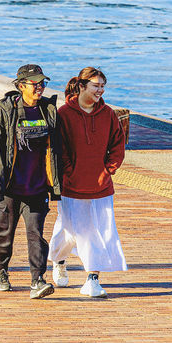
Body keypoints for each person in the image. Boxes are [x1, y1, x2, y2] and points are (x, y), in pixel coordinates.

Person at [48, 66, 127, 298]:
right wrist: (69, 173)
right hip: (72, 186)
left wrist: (108, 169)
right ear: (82, 86)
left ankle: (92, 279)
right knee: (69, 230)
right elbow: (58, 150)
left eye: (103, 86)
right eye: (96, 86)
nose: (100, 90)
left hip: (102, 186)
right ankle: (59, 260)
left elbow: (117, 145)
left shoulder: (108, 114)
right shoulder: (64, 114)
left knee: (99, 231)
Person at [0, 63, 61, 299]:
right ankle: (1, 270)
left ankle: (37, 281)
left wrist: (56, 184)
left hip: (38, 188)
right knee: (5, 233)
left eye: (43, 84)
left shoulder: (48, 111)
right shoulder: (7, 112)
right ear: (21, 86)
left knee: (36, 235)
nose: (40, 88)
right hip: (11, 187)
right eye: (35, 84)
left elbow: (57, 150)